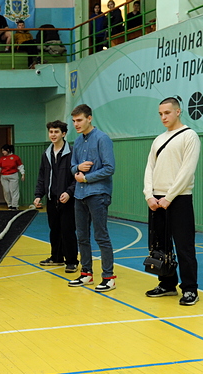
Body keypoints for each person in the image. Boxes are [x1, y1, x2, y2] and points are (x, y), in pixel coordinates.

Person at [143, 97, 201, 305]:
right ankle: (167, 284)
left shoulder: (189, 136)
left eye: (167, 113)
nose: (163, 117)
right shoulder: (158, 139)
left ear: (178, 111)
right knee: (160, 246)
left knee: (184, 246)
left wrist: (169, 197)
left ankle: (190, 289)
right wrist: (149, 195)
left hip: (179, 199)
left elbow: (187, 170)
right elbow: (149, 168)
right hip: (156, 200)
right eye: (160, 114)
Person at [68, 104, 116, 292]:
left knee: (101, 235)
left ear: (89, 118)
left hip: (98, 194)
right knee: (81, 236)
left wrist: (87, 178)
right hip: (79, 194)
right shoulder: (78, 142)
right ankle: (86, 273)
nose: (76, 124)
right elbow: (72, 167)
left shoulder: (102, 139)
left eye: (79, 120)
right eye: (74, 121)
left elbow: (109, 168)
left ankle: (109, 277)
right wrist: (78, 169)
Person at [34, 120, 78, 272]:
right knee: (54, 229)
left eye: (56, 132)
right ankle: (56, 257)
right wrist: (39, 195)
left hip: (67, 200)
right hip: (52, 199)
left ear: (63, 134)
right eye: (51, 132)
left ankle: (72, 261)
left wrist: (69, 192)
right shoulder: (46, 154)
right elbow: (42, 176)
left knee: (68, 230)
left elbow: (76, 177)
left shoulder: (72, 153)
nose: (53, 135)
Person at [0, 144, 24, 210]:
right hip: (4, 176)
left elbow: (20, 166)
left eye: (3, 151)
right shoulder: (2, 159)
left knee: (14, 191)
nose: (2, 152)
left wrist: (22, 173)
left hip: (13, 175)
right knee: (6, 191)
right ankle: (9, 204)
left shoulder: (15, 157)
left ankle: (15, 205)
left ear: (8, 150)